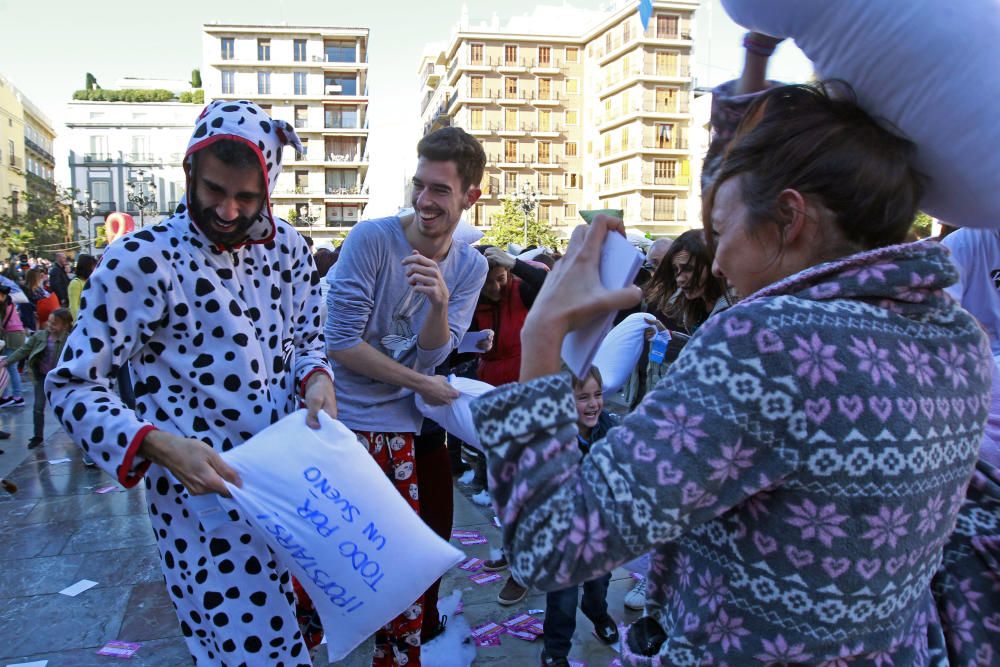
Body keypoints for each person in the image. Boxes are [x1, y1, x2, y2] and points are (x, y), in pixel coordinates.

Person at [469, 83, 992, 665]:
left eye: (721, 231)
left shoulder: (769, 341)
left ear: (789, 217)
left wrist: (544, 334)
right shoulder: (957, 337)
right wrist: (758, 55)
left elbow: (550, 547)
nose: (716, 262)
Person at [46, 99, 336, 665]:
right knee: (257, 652)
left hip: (293, 490)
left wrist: (316, 381)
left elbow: (307, 341)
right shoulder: (142, 259)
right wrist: (155, 443)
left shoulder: (292, 249)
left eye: (247, 198)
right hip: (204, 507)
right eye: (213, 191)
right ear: (188, 175)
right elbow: (73, 385)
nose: (228, 211)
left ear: (269, 187)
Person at [325, 126, 489, 666]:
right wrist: (420, 382)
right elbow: (343, 343)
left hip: (408, 434)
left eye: (440, 189)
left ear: (471, 196)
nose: (424, 200)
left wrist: (440, 305)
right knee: (323, 572)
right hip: (346, 428)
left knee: (406, 574)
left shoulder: (471, 266)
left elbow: (433, 358)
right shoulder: (372, 240)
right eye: (419, 185)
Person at [469, 245, 547, 605]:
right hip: (490, 397)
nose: (497, 288)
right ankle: (511, 547)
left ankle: (524, 568)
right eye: (488, 284)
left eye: (500, 279)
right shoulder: (472, 299)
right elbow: (458, 342)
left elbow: (549, 282)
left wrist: (512, 263)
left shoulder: (523, 287)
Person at [541, 365, 620, 666]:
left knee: (599, 584)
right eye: (583, 397)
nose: (594, 404)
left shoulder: (608, 429)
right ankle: (555, 651)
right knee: (562, 599)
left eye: (598, 395)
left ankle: (597, 611)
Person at [1, 308, 72, 451]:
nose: (50, 326)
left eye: (55, 323)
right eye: (49, 322)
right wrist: (7, 361)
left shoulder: (70, 339)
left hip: (62, 379)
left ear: (65, 325)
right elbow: (24, 350)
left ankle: (76, 435)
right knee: (38, 407)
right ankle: (37, 436)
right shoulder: (40, 336)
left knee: (67, 409)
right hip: (42, 377)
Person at [0, 285, 27, 408]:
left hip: (11, 337)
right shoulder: (9, 302)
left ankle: (15, 397)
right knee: (8, 366)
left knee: (9, 366)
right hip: (17, 335)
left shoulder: (2, 306)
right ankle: (10, 396)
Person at [67, 254, 96, 322]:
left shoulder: (90, 281)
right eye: (93, 266)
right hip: (82, 322)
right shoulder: (76, 283)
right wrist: (78, 323)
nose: (95, 268)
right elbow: (73, 307)